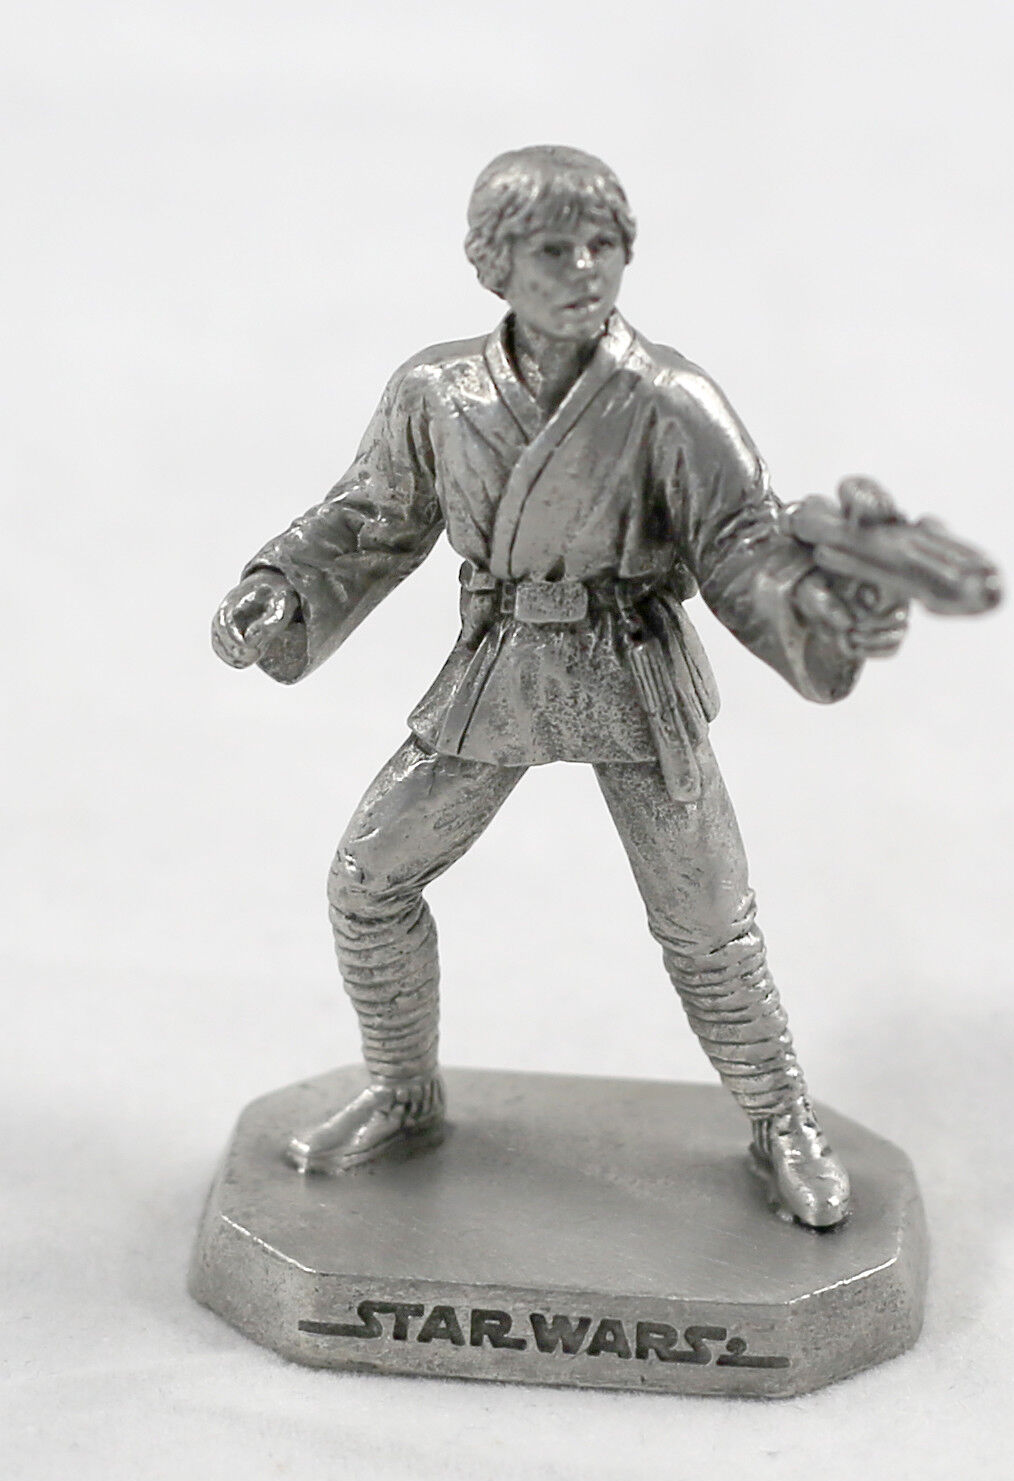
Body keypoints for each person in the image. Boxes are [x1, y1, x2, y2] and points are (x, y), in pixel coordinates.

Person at [211, 144, 908, 1229]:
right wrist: (282, 589)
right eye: (551, 249)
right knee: (367, 882)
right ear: (494, 265)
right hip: (499, 671)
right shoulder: (437, 392)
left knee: (708, 923)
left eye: (602, 244)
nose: (583, 268)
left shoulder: (670, 400)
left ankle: (781, 1119)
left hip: (634, 673)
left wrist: (823, 610)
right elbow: (371, 518)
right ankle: (402, 1090)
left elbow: (743, 542)